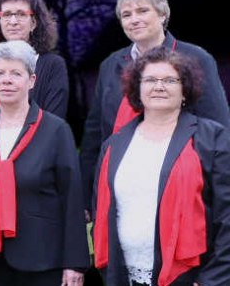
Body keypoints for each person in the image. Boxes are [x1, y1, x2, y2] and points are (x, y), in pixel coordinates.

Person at [80, 0, 229, 208]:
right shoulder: (110, 65)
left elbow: (218, 129)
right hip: (121, 183)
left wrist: (216, 191)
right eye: (127, 15)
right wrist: (87, 194)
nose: (134, 20)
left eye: (142, 11)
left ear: (162, 15)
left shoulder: (196, 59)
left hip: (179, 184)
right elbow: (94, 133)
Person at [92, 47, 230, 286]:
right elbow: (101, 210)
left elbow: (227, 217)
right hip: (125, 275)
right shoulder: (114, 144)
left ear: (184, 89)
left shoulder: (212, 139)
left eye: (169, 80)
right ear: (137, 89)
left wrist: (211, 280)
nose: (159, 86)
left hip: (190, 278)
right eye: (150, 80)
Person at [0, 41, 88, 286]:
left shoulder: (56, 130)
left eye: (16, 73)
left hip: (43, 260)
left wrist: (75, 262)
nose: (7, 80)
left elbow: (72, 199)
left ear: (31, 81)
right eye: (0, 73)